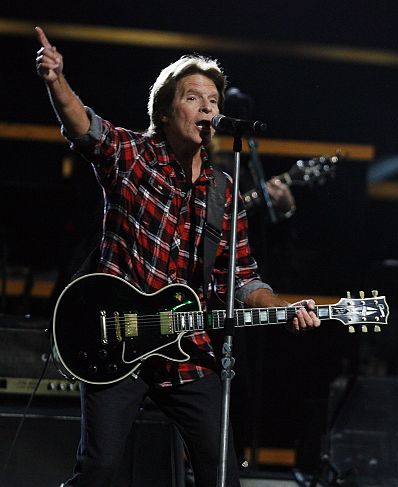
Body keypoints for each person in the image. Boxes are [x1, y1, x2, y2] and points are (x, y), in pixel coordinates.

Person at [35, 26, 321, 487]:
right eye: (193, 98)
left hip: (189, 351)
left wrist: (286, 309)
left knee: (221, 476)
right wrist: (55, 81)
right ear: (166, 111)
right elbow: (83, 126)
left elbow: (244, 280)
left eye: (213, 100)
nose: (208, 108)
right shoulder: (134, 156)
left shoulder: (223, 193)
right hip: (115, 340)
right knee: (100, 469)